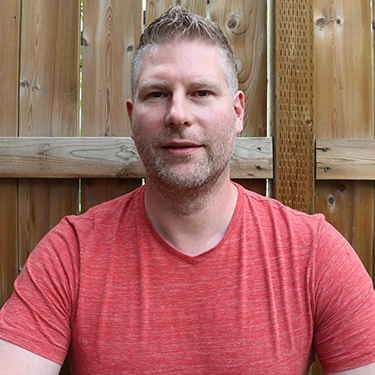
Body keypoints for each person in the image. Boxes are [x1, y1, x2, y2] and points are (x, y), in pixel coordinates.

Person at [1, 6, 375, 375]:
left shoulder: (312, 253)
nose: (177, 114)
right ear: (132, 116)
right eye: (157, 94)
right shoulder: (72, 254)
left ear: (237, 110)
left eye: (200, 92)